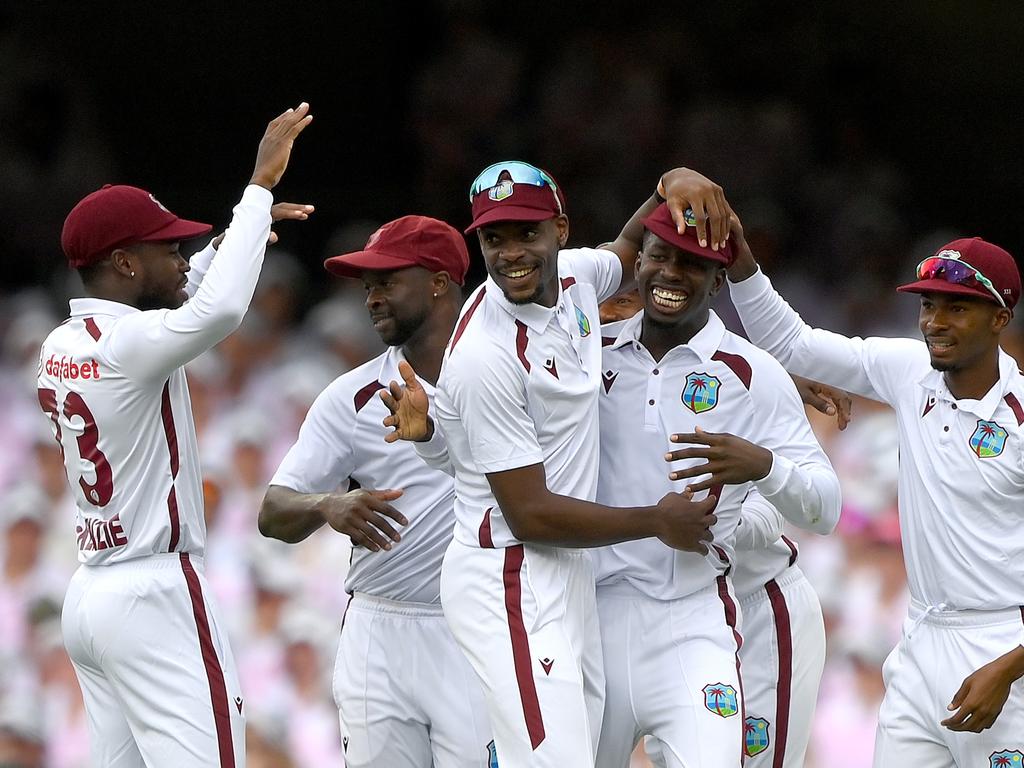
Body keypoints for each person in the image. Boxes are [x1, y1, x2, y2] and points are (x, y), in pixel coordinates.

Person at [380, 161, 734, 768]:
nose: (511, 253)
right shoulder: (486, 356)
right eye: (494, 238)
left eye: (526, 233)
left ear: (560, 229)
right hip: (510, 575)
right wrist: (656, 520)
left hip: (568, 572)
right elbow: (531, 515)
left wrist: (667, 182)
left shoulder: (574, 279)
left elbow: (625, 250)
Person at [36, 103, 313, 767]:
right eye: (169, 247)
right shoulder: (129, 342)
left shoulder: (60, 341)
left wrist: (234, 242)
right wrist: (258, 189)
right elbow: (213, 310)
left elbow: (182, 300)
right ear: (125, 266)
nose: (183, 253)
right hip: (154, 590)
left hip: (93, 593)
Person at [725, 226, 1024, 766]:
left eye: (957, 309)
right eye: (929, 305)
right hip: (919, 641)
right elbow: (793, 343)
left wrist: (1010, 666)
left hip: (1005, 646)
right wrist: (739, 258)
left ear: (1000, 318)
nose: (934, 322)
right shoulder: (911, 372)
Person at [589, 203, 840, 768]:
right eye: (658, 256)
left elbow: (824, 507)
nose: (671, 273)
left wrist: (759, 473)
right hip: (600, 613)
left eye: (694, 264)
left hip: (721, 606)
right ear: (637, 263)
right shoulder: (588, 358)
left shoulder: (752, 374)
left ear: (719, 280)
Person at [257, 215, 494, 767]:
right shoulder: (351, 397)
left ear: (439, 282)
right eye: (367, 287)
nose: (372, 299)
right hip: (378, 630)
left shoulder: (503, 379)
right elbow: (273, 511)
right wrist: (327, 504)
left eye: (387, 282)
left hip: (476, 628)